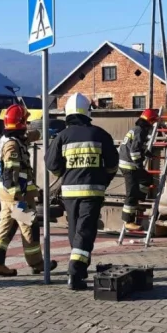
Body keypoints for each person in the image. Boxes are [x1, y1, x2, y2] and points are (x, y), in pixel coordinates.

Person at [46, 93, 118, 290]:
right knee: (85, 231)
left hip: (69, 192)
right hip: (93, 192)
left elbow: (52, 165)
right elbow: (112, 165)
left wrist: (65, 172)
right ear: (88, 112)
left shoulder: (62, 136)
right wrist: (104, 179)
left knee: (75, 230)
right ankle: (75, 273)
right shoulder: (101, 134)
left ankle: (79, 268)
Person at [0, 105, 56, 277]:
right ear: (21, 123)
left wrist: (48, 133)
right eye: (26, 121)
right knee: (30, 227)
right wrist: (21, 200)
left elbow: (28, 137)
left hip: (6, 196)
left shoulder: (11, 139)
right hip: (17, 197)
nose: (28, 124)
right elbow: (11, 176)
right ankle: (37, 263)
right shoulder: (12, 146)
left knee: (6, 227)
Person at [118, 108, 159, 232]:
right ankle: (128, 221)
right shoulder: (140, 131)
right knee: (131, 193)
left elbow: (136, 146)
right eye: (153, 122)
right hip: (129, 165)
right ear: (150, 121)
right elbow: (134, 151)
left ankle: (138, 201)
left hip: (128, 163)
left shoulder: (137, 129)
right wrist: (139, 164)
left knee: (147, 179)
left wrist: (147, 153)